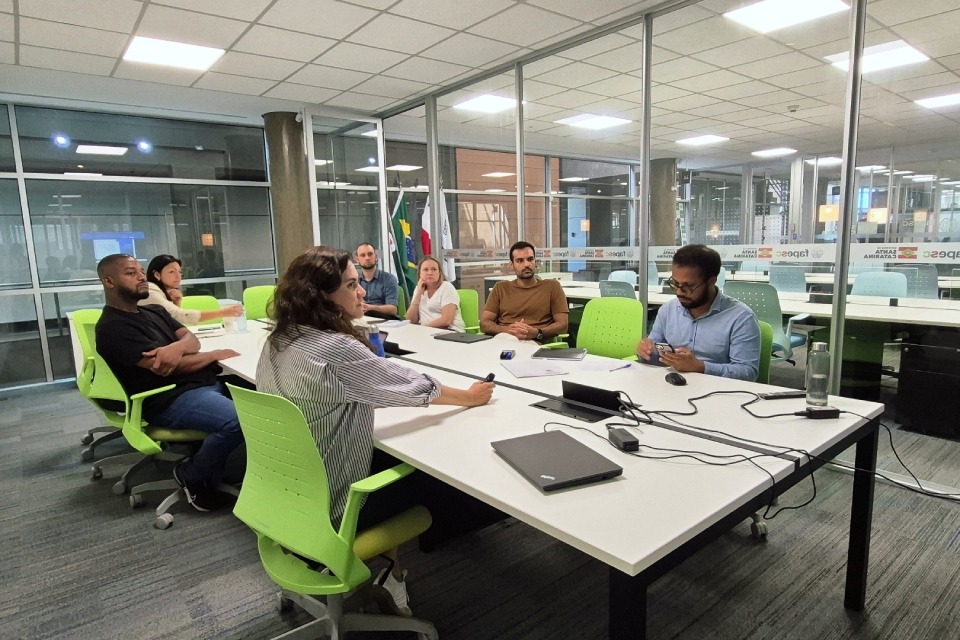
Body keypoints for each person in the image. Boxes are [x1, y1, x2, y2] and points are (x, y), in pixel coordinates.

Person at [256, 246, 493, 615]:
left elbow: (337, 389)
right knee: (443, 473)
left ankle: (388, 569)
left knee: (387, 454)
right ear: (321, 296)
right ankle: (393, 573)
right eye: (351, 285)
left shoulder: (280, 340)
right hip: (335, 508)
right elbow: (410, 384)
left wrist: (370, 390)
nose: (361, 291)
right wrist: (471, 397)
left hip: (286, 496)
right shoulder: (334, 348)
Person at [94, 254, 245, 511]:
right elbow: (165, 368)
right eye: (131, 273)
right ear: (109, 281)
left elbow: (192, 341)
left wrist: (176, 349)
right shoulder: (112, 327)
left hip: (201, 383)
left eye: (141, 271)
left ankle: (234, 467)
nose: (142, 277)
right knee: (238, 421)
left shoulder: (155, 310)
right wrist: (208, 355)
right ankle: (191, 474)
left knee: (265, 397)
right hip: (169, 398)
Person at [636, 244, 760, 381]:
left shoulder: (741, 318)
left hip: (718, 392)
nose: (679, 292)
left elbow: (747, 372)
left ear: (711, 281)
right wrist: (647, 351)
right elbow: (655, 351)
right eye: (675, 284)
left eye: (688, 287)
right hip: (671, 387)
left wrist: (701, 367)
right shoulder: (667, 310)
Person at [480, 241, 568, 342]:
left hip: (535, 342)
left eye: (530, 259)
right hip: (504, 339)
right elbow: (484, 323)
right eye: (520, 261)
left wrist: (537, 332)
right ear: (511, 265)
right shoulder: (501, 288)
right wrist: (507, 330)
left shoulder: (552, 286)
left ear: (536, 262)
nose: (526, 264)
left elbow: (563, 325)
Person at [140, 254, 244, 325]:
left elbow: (171, 321)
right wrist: (223, 312)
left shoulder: (165, 292)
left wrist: (177, 302)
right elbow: (181, 316)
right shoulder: (151, 290)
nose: (178, 276)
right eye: (172, 272)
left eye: (179, 272)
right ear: (157, 275)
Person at [406, 256, 465, 332]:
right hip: (428, 332)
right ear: (420, 273)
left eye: (434, 269)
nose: (430, 273)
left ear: (439, 272)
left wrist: (424, 330)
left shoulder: (447, 287)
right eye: (425, 270)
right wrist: (418, 295)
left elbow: (446, 321)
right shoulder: (418, 288)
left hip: (450, 331)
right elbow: (410, 320)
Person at [356, 242, 399, 318]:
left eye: (370, 254)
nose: (367, 258)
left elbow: (393, 310)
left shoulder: (389, 279)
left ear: (376, 256)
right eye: (363, 255)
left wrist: (370, 308)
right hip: (362, 319)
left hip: (385, 320)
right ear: (357, 259)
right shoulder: (354, 281)